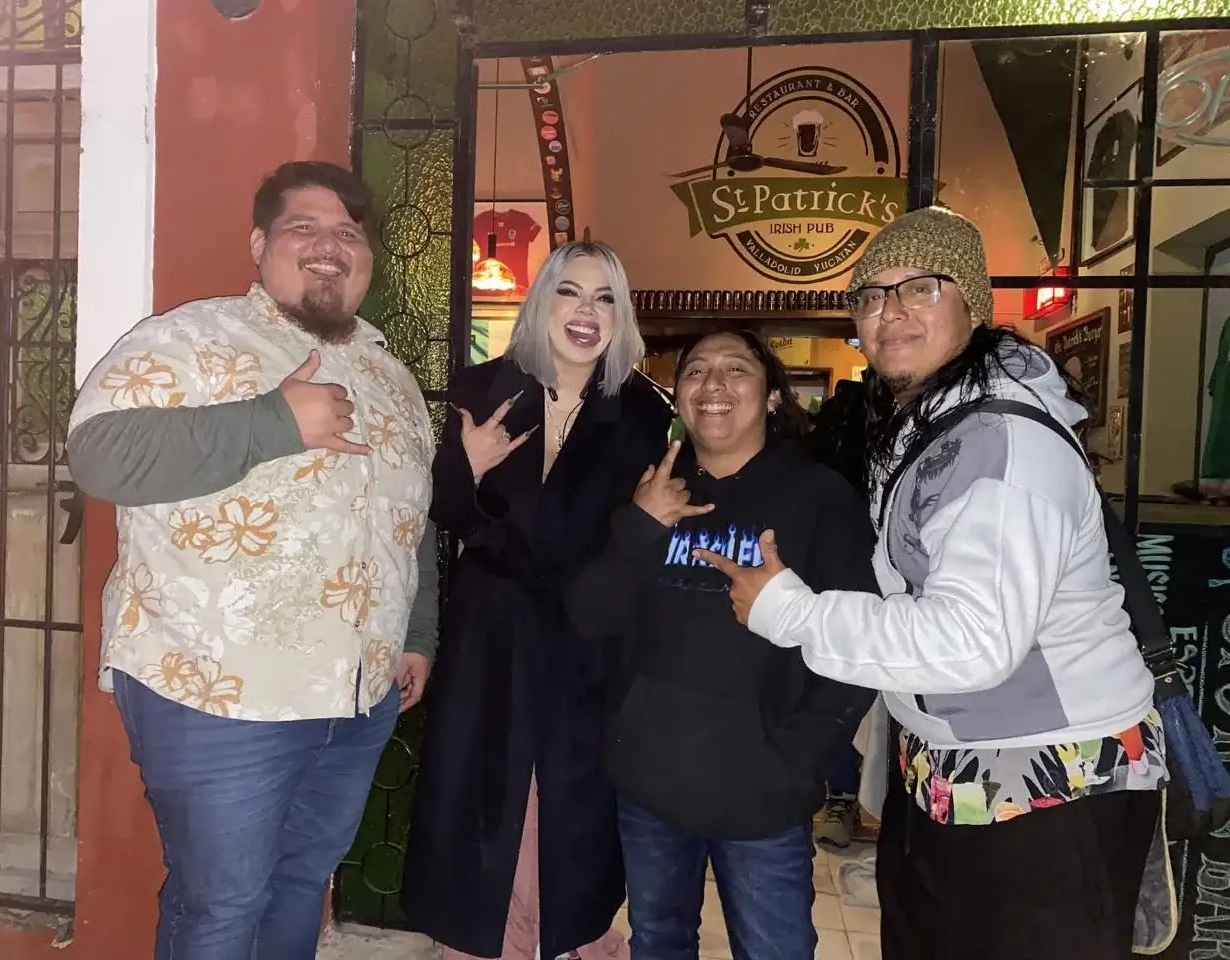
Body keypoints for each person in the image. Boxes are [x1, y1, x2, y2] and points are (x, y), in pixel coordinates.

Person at [698, 207, 1165, 960]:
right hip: (962, 783)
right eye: (872, 295)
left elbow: (973, 642)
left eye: (919, 287)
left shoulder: (1003, 443)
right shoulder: (935, 428)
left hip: (1048, 793)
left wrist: (791, 612)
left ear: (972, 304)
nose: (891, 311)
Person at [66, 160, 440, 960]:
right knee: (221, 907)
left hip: (357, 698)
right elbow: (99, 456)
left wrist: (418, 631)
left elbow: (408, 516)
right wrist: (273, 421)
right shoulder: (189, 341)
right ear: (260, 244)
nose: (329, 245)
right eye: (304, 227)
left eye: (348, 231)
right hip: (218, 694)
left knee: (302, 883)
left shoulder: (392, 378)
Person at [400, 242, 674, 960]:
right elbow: (443, 513)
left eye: (605, 297)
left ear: (622, 316)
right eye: (570, 292)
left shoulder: (640, 410)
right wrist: (467, 471)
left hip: (584, 630)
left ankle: (564, 937)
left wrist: (489, 504)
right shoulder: (486, 386)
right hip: (488, 631)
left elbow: (581, 538)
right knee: (483, 791)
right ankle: (484, 939)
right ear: (541, 301)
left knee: (568, 799)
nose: (586, 312)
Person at [567, 329, 878, 960]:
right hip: (651, 783)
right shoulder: (650, 489)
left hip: (762, 791)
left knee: (775, 950)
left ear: (769, 397)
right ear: (678, 397)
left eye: (736, 370)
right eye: (696, 372)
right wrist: (639, 526)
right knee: (658, 941)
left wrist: (796, 762)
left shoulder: (819, 497)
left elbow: (858, 645)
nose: (713, 385)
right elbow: (588, 617)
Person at [807, 374, 876, 851]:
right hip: (839, 556)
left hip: (886, 563)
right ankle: (842, 795)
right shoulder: (850, 414)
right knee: (838, 673)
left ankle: (849, 797)